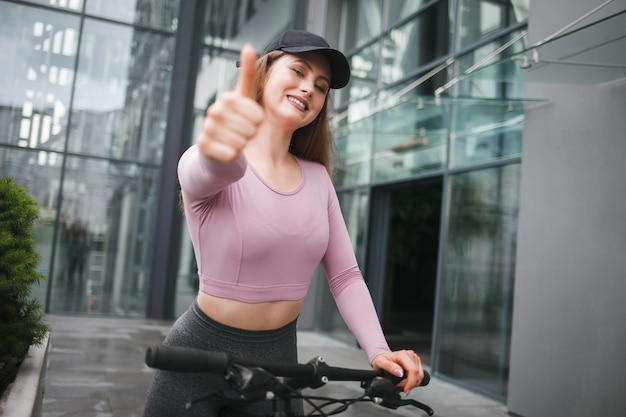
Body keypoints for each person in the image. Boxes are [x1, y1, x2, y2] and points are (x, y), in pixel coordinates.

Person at [143, 29, 424, 417]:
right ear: (265, 72)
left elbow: (345, 275)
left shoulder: (318, 179)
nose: (309, 88)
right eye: (298, 70)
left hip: (279, 365)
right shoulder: (214, 160)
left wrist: (379, 351)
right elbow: (207, 169)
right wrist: (219, 146)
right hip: (198, 358)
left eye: (321, 86)